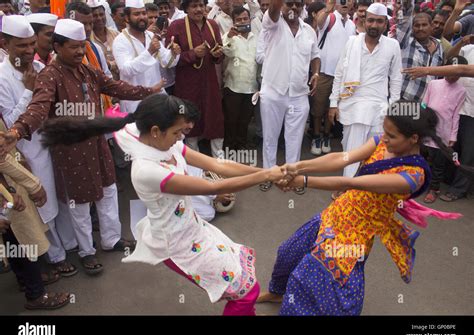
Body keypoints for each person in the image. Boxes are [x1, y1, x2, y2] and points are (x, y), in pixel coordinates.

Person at [37, 93, 288, 316]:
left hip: (193, 229)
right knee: (244, 291)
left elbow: (216, 165)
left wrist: (267, 171)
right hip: (177, 245)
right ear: (156, 131)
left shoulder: (155, 137)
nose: (181, 138)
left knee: (244, 284)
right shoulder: (146, 170)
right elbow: (214, 186)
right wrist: (266, 176)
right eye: (177, 132)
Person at [257, 100, 466, 315]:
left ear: (413, 138)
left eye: (392, 135)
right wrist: (298, 165)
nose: (384, 138)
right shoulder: (381, 143)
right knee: (289, 251)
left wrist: (302, 181)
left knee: (307, 280)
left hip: (354, 234)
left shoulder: (413, 175)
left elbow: (352, 183)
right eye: (385, 131)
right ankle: (277, 292)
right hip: (336, 214)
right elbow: (342, 158)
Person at [0, 19, 166, 275]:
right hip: (70, 150)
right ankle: (87, 252)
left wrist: (147, 91)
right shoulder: (49, 75)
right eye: (74, 47)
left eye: (82, 46)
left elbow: (115, 86)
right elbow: (39, 107)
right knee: (79, 203)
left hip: (97, 142)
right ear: (57, 46)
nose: (79, 52)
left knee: (109, 191)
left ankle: (111, 240)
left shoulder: (87, 71)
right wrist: (17, 130)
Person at [0, 15, 79, 276]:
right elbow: (10, 125)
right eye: (21, 45)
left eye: (32, 43)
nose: (29, 50)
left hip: (51, 143)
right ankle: (53, 257)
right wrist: (28, 91)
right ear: (5, 43)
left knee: (61, 198)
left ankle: (68, 246)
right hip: (25, 152)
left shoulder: (37, 64)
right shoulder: (1, 77)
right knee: (42, 206)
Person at [329, 3, 402, 179]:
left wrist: (392, 108)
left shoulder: (393, 45)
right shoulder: (352, 42)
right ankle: (348, 192)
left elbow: (397, 79)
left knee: (375, 159)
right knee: (351, 156)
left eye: (379, 21)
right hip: (352, 107)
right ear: (364, 20)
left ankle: (365, 195)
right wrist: (333, 103)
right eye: (371, 20)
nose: (374, 25)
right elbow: (339, 73)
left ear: (385, 23)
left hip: (379, 111)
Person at [258, 0, 320, 192]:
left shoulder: (309, 30)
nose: (293, 8)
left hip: (299, 94)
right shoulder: (273, 23)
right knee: (270, 136)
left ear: (303, 7)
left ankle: (293, 176)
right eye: (289, 3)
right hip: (273, 91)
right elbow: (274, 7)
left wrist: (316, 73)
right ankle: (269, 173)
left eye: (298, 4)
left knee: (295, 138)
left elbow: (315, 55)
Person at [0, 150, 71, 310]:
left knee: (12, 235)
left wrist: (6, 190)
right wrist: (32, 186)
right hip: (8, 193)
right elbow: (2, 159)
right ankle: (36, 294)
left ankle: (26, 281)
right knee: (24, 238)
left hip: (7, 190)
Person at [165, 0, 226, 158]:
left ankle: (218, 163)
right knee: (189, 119)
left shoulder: (212, 25)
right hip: (187, 83)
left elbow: (219, 53)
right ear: (186, 9)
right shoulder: (176, 27)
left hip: (210, 82)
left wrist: (218, 54)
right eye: (194, 6)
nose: (199, 9)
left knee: (215, 117)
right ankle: (195, 165)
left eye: (201, 5)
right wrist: (192, 54)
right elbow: (169, 60)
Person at [113, 0, 178, 113]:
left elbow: (167, 62)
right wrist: (149, 52)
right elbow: (126, 70)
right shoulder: (120, 41)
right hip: (134, 102)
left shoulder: (151, 36)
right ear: (127, 18)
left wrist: (174, 52)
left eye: (143, 13)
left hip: (156, 99)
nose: (142, 17)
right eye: (136, 14)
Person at [311, 0, 355, 156]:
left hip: (342, 75)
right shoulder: (329, 17)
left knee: (332, 107)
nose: (344, 3)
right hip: (324, 72)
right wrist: (328, 8)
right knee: (318, 107)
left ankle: (326, 136)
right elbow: (319, 22)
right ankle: (316, 136)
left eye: (348, 1)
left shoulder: (351, 24)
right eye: (341, 1)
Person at [422, 56, 467, 203]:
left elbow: (455, 115)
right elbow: (424, 105)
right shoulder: (433, 84)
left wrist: (452, 136)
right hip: (427, 130)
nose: (453, 76)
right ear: (444, 69)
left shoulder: (461, 91)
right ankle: (416, 184)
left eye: (457, 73)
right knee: (421, 159)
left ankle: (434, 189)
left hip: (443, 134)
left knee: (438, 164)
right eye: (450, 71)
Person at [222, 6, 258, 150]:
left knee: (245, 120)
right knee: (231, 120)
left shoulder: (256, 38)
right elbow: (226, 52)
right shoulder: (228, 37)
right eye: (239, 20)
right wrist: (230, 36)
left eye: (245, 19)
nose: (242, 22)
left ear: (249, 19)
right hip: (233, 86)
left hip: (251, 87)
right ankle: (229, 146)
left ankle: (241, 144)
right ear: (233, 22)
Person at [395, 0, 444, 102]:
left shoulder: (439, 46)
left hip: (424, 104)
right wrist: (407, 4)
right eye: (416, 25)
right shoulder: (406, 41)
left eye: (424, 25)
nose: (420, 28)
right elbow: (404, 20)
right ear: (412, 28)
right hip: (402, 100)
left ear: (431, 26)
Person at [89, 0, 121, 80]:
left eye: (101, 14)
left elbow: (124, 61)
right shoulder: (88, 39)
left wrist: (109, 65)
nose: (99, 18)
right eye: (95, 15)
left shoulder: (116, 34)